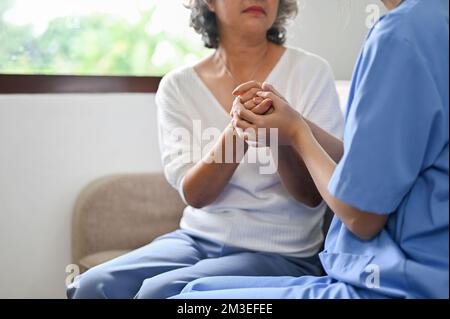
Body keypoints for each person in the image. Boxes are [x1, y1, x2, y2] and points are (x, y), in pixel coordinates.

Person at [67, 0, 344, 299]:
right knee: (91, 286)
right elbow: (196, 195)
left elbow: (312, 196)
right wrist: (240, 127)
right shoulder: (178, 86)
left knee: (157, 293)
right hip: (196, 239)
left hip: (284, 252)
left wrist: (281, 131)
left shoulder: (311, 72)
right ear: (209, 3)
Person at [173, 0, 449, 299]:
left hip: (399, 280)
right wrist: (287, 124)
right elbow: (364, 169)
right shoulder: (429, 22)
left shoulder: (399, 36)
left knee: (190, 299)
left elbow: (360, 217)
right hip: (419, 268)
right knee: (190, 290)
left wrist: (294, 132)